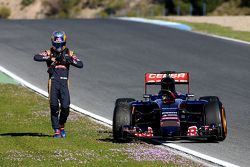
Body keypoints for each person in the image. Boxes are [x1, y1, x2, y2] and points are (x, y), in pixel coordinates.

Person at [34, 31, 83, 138]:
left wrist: (68, 59)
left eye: (60, 44)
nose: (58, 46)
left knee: (65, 106)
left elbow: (80, 64)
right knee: (54, 105)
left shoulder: (69, 52)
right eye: (56, 44)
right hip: (53, 82)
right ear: (53, 42)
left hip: (64, 82)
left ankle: (61, 125)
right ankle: (56, 129)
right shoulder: (49, 52)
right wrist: (52, 58)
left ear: (64, 42)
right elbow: (36, 57)